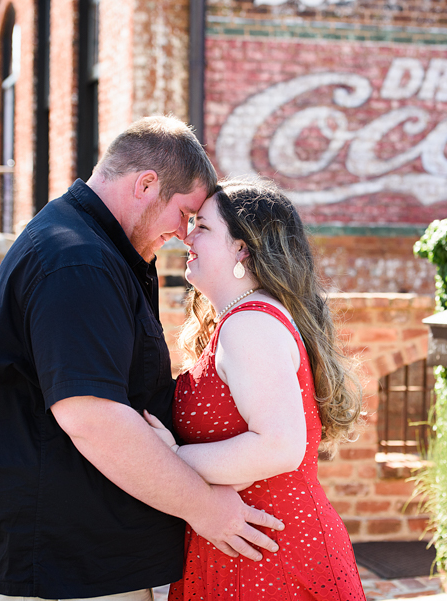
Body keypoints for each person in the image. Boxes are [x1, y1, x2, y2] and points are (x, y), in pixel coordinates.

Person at [0, 116, 284, 601]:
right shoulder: (78, 261)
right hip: (50, 560)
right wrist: (207, 509)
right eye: (185, 213)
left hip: (60, 551)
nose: (184, 232)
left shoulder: (84, 243)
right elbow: (93, 419)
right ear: (146, 185)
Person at [143, 177, 367, 600]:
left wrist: (171, 458)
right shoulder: (242, 319)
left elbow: (279, 447)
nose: (187, 236)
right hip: (245, 542)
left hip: (269, 554)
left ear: (242, 249)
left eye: (204, 227)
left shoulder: (250, 324)